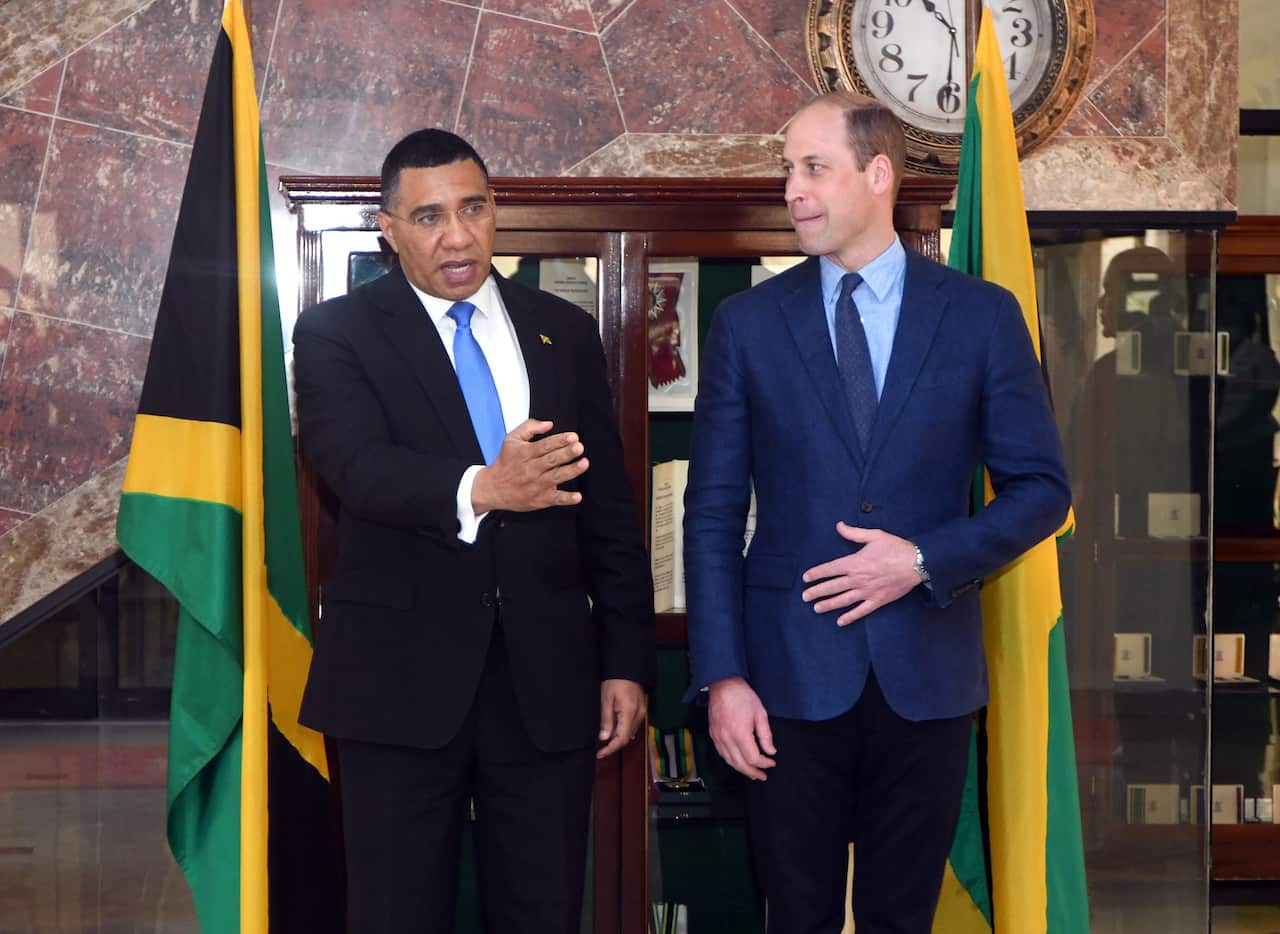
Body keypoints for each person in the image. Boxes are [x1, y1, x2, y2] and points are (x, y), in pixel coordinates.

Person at [682, 92, 1071, 934]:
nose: (793, 189)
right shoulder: (747, 325)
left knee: (903, 919)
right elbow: (711, 514)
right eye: (788, 170)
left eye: (813, 168)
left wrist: (922, 560)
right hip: (784, 682)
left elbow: (1043, 489)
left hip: (926, 679)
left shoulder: (980, 316)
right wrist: (723, 678)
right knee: (797, 917)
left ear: (878, 174)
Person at [291, 128, 655, 934]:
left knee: (543, 911)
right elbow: (354, 468)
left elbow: (609, 512)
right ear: (389, 230)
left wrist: (626, 661)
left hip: (546, 687)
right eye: (428, 217)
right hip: (396, 686)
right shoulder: (335, 334)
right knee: (395, 914)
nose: (456, 236)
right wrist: (485, 488)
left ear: (495, 212)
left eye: (472, 209)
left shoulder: (563, 330)